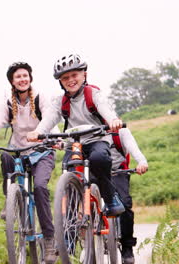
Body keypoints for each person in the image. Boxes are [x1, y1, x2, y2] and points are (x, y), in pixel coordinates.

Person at [0, 62, 59, 263]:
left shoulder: (40, 97)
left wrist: (54, 139)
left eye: (25, 76)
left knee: (39, 187)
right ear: (12, 81)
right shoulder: (6, 102)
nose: (22, 79)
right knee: (5, 155)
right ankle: (10, 199)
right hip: (19, 150)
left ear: (30, 78)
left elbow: (50, 119)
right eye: (18, 77)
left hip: (42, 151)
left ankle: (48, 240)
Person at [27, 54, 125, 216]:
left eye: (74, 75)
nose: (70, 80)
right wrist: (38, 132)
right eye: (65, 78)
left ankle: (110, 197)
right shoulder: (60, 101)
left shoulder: (93, 94)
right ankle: (68, 227)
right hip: (74, 144)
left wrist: (113, 120)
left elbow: (105, 108)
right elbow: (49, 118)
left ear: (84, 74)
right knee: (68, 171)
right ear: (60, 81)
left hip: (96, 139)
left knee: (99, 159)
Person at [111, 128, 148, 264]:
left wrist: (142, 162)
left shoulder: (120, 132)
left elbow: (133, 147)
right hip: (94, 173)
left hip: (118, 172)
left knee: (125, 204)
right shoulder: (89, 128)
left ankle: (127, 246)